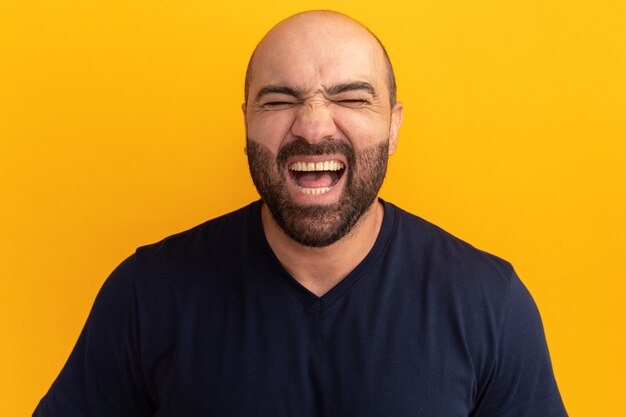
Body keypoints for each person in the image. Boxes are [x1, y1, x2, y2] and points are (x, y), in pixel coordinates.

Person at [34, 10, 567, 417]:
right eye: (279, 99)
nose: (313, 127)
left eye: (352, 99)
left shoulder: (490, 304)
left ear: (395, 125)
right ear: (246, 121)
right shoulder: (144, 294)